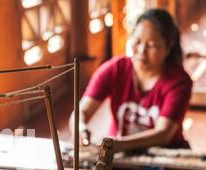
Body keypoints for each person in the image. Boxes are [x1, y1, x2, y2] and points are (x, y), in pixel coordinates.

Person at [70, 8, 193, 153]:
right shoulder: (114, 69)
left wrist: (114, 146)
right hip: (119, 153)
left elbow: (163, 134)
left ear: (168, 47)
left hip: (165, 153)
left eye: (151, 45)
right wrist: (81, 130)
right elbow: (80, 112)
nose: (141, 50)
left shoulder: (179, 82)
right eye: (137, 41)